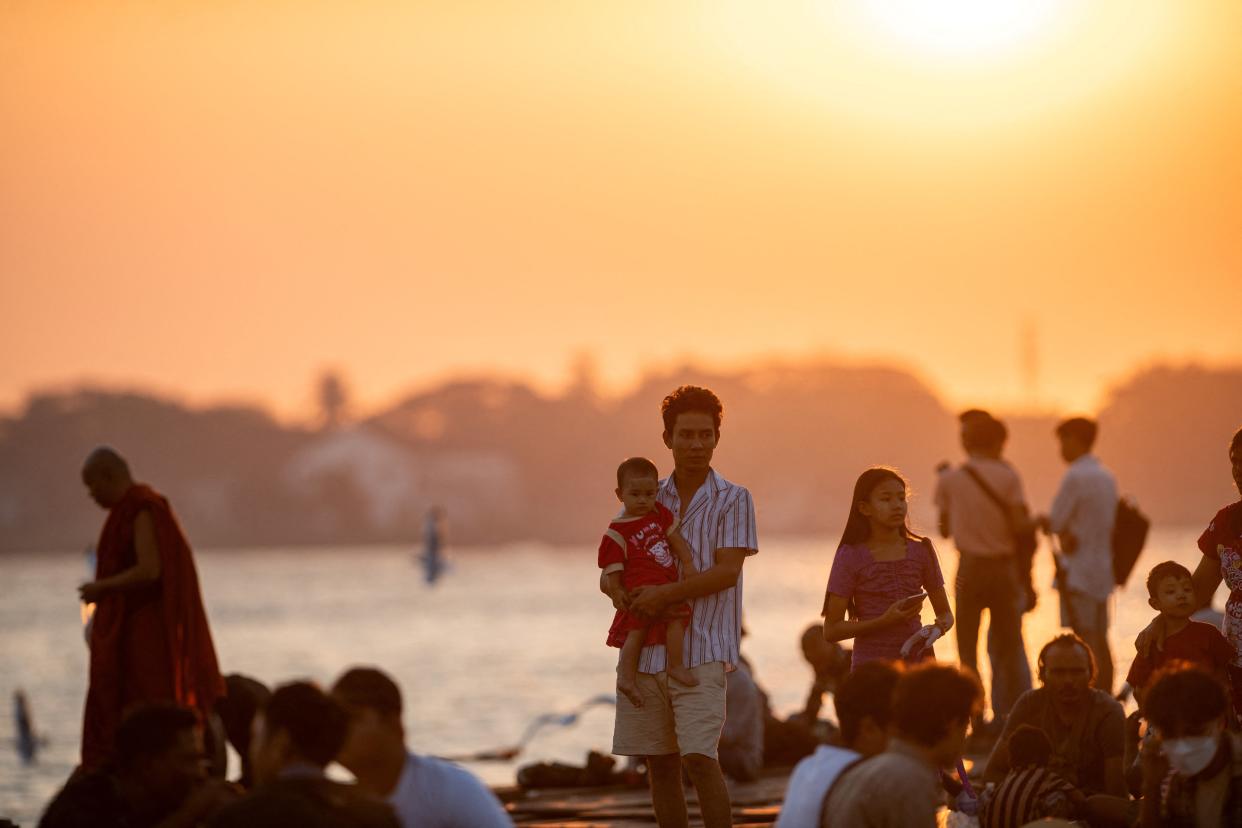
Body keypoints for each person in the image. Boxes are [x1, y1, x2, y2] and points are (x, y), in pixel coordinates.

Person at [601, 385, 758, 828]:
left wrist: (663, 595)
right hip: (647, 649)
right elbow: (617, 561)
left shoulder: (734, 499)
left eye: (705, 435)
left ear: (717, 438)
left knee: (700, 758)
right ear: (667, 438)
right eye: (686, 435)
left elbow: (727, 572)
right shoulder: (647, 494)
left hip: (705, 650)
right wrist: (614, 589)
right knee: (660, 765)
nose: (696, 444)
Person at [77, 447, 224, 769]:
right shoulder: (126, 512)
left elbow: (150, 569)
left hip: (147, 629)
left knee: (147, 697)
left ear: (109, 477)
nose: (92, 496)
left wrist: (102, 587)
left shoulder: (143, 508)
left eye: (93, 487)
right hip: (131, 626)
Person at [935, 410, 1033, 725]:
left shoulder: (949, 479)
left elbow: (945, 529)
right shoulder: (1008, 476)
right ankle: (1006, 717)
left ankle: (975, 718)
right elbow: (1020, 524)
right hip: (1002, 568)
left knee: (967, 647)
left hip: (968, 569)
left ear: (965, 442)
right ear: (998, 442)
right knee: (1006, 645)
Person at [330, 666, 512, 828]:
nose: (338, 731)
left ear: (393, 725)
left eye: (352, 719)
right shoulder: (331, 805)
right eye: (334, 721)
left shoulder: (451, 789)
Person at [207, 681, 397, 828]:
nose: (253, 750)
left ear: (281, 742)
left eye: (257, 737)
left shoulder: (241, 819)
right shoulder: (377, 814)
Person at [820, 663, 983, 827]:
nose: (966, 740)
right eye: (966, 727)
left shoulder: (864, 770)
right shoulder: (910, 780)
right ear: (952, 724)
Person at [822, 467, 953, 668]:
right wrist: (883, 621)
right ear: (864, 508)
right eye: (886, 499)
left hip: (919, 664)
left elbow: (945, 614)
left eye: (901, 498)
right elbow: (831, 630)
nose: (897, 506)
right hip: (872, 668)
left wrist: (936, 629)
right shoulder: (850, 556)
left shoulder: (921, 550)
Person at [599, 456, 700, 705]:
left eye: (649, 493)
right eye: (635, 494)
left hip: (666, 586)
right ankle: (626, 677)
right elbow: (612, 567)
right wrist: (615, 591)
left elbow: (676, 539)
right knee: (636, 632)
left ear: (657, 492)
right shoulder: (616, 531)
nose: (643, 500)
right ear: (619, 494)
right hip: (639, 591)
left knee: (676, 621)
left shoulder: (658, 514)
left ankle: (675, 665)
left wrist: (688, 564)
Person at [40, 703, 238, 828]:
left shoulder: (164, 800)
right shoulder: (84, 806)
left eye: (200, 760)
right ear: (147, 765)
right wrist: (189, 815)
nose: (199, 772)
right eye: (187, 761)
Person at [984, 634, 1126, 800]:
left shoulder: (1108, 712)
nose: (1068, 681)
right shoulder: (1029, 706)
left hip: (1091, 809)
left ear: (1090, 673)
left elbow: (1116, 793)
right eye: (1058, 672)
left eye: (1077, 672)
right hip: (1036, 805)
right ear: (1043, 675)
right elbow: (993, 773)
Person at [1037, 417, 1119, 694]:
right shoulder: (1106, 475)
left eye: (1063, 440)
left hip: (1079, 572)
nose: (1061, 448)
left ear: (1076, 439)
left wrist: (1042, 521)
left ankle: (1094, 695)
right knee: (1101, 638)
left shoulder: (1075, 476)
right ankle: (1108, 694)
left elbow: (1057, 521)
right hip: (1104, 570)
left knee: (1086, 639)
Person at [776, 660, 903, 828]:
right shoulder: (872, 780)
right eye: (901, 727)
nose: (906, 740)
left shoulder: (806, 767)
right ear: (869, 728)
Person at [1139, 664, 1242, 826]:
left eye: (1195, 732)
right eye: (1170, 735)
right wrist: (1152, 786)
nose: (1182, 746)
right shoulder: (1177, 781)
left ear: (1221, 722)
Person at [1126, 561, 1234, 708]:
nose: (1181, 595)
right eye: (1171, 592)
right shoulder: (1152, 642)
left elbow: (1225, 676)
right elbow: (1139, 689)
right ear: (1155, 604)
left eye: (1187, 589)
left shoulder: (1209, 634)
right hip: (1165, 718)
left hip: (1207, 712)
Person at [980, 725, 1084, 828]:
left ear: (1011, 758)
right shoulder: (1046, 777)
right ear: (1046, 756)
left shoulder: (1007, 781)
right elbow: (1079, 798)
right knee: (1059, 799)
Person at [795, 623, 851, 724]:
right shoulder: (823, 670)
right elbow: (812, 709)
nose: (809, 654)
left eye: (814, 646)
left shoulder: (851, 663)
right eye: (804, 649)